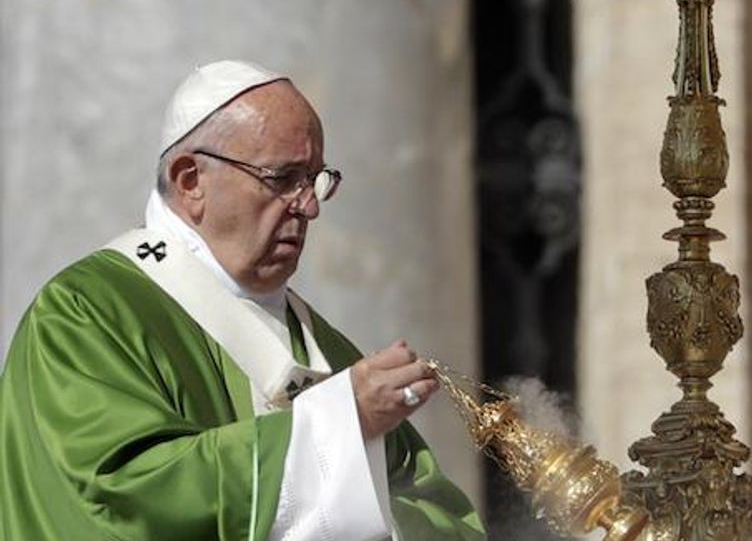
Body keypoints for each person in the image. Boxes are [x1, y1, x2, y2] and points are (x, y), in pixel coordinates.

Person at [0, 60, 486, 541]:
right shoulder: (87, 314)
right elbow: (123, 496)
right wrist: (336, 426)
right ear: (191, 180)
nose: (310, 206)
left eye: (316, 179)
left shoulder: (327, 353)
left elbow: (431, 506)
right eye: (282, 178)